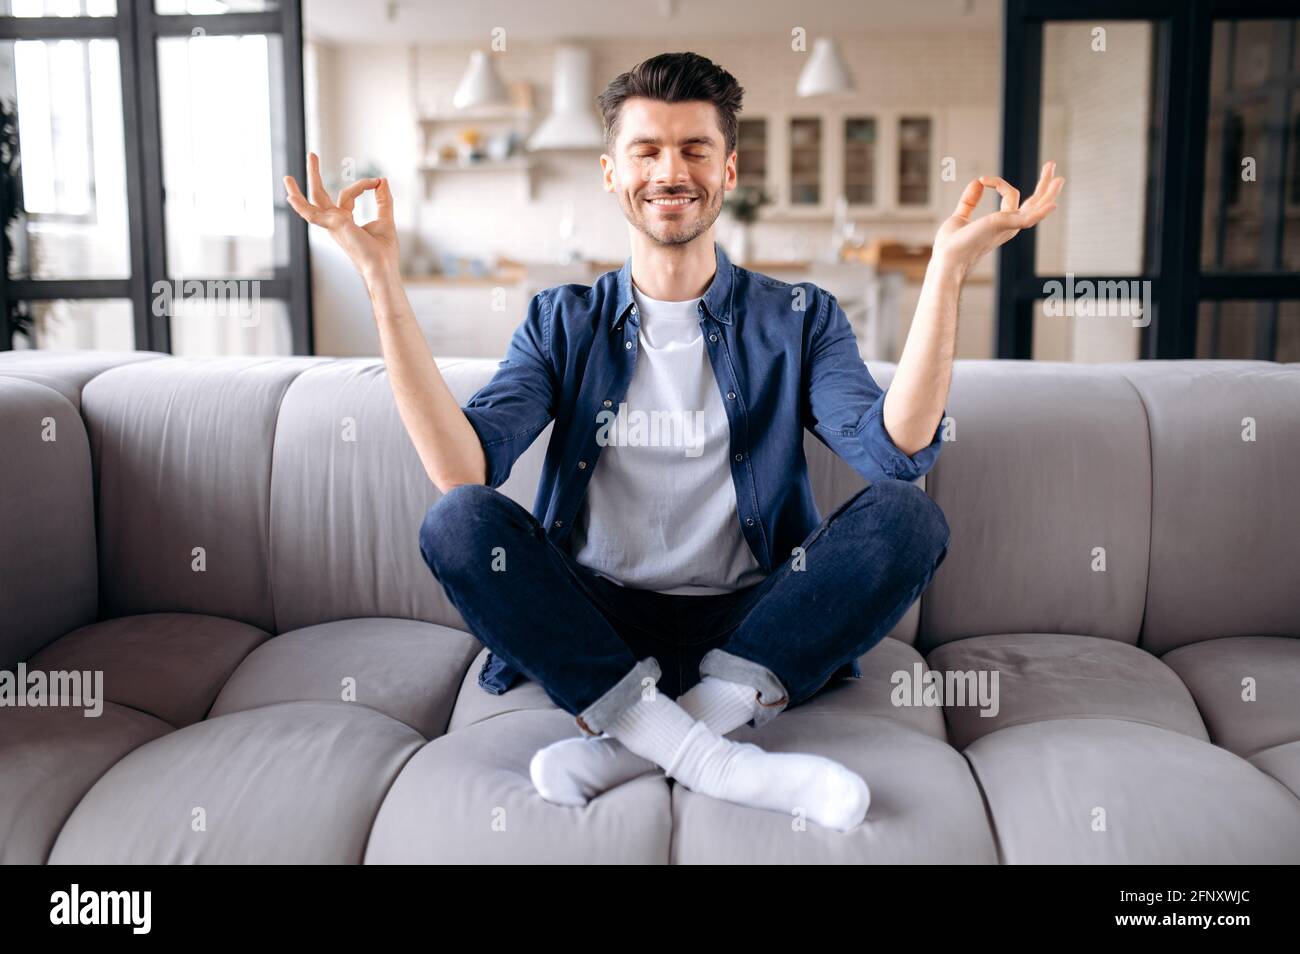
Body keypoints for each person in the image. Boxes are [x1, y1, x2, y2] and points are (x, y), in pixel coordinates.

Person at [284, 51, 1063, 833]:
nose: (671, 171)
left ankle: (635, 742)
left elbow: (894, 453)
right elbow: (463, 470)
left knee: (908, 517)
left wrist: (947, 271)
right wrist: (381, 278)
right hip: (598, 620)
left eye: (694, 149)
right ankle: (716, 756)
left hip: (754, 619)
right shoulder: (562, 321)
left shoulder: (799, 316)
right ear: (610, 172)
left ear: (729, 170)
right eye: (646, 150)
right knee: (458, 521)